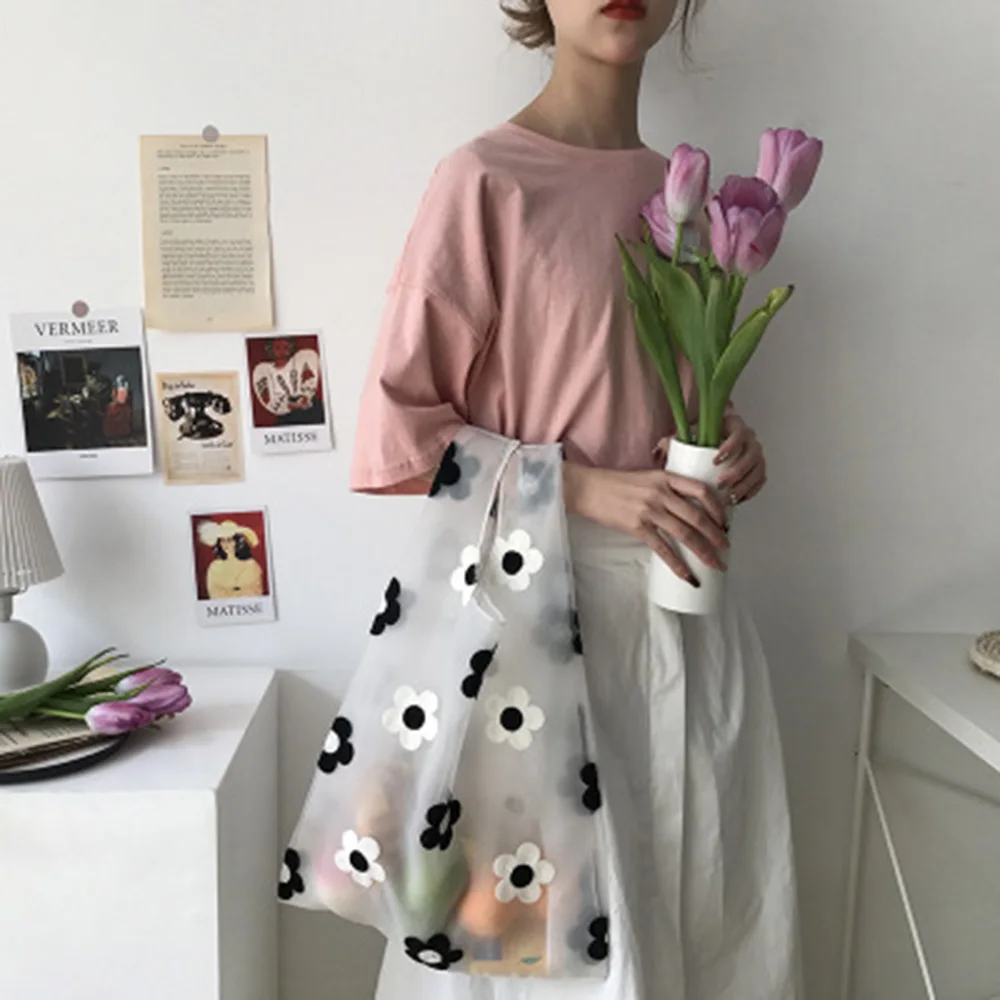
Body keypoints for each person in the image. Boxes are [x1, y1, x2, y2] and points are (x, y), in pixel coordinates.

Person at [351, 1, 801, 997]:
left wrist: (727, 439)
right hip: (537, 626)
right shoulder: (484, 182)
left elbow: (667, 392)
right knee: (540, 953)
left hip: (689, 617)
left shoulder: (683, 198)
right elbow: (398, 437)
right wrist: (586, 486)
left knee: (705, 920)